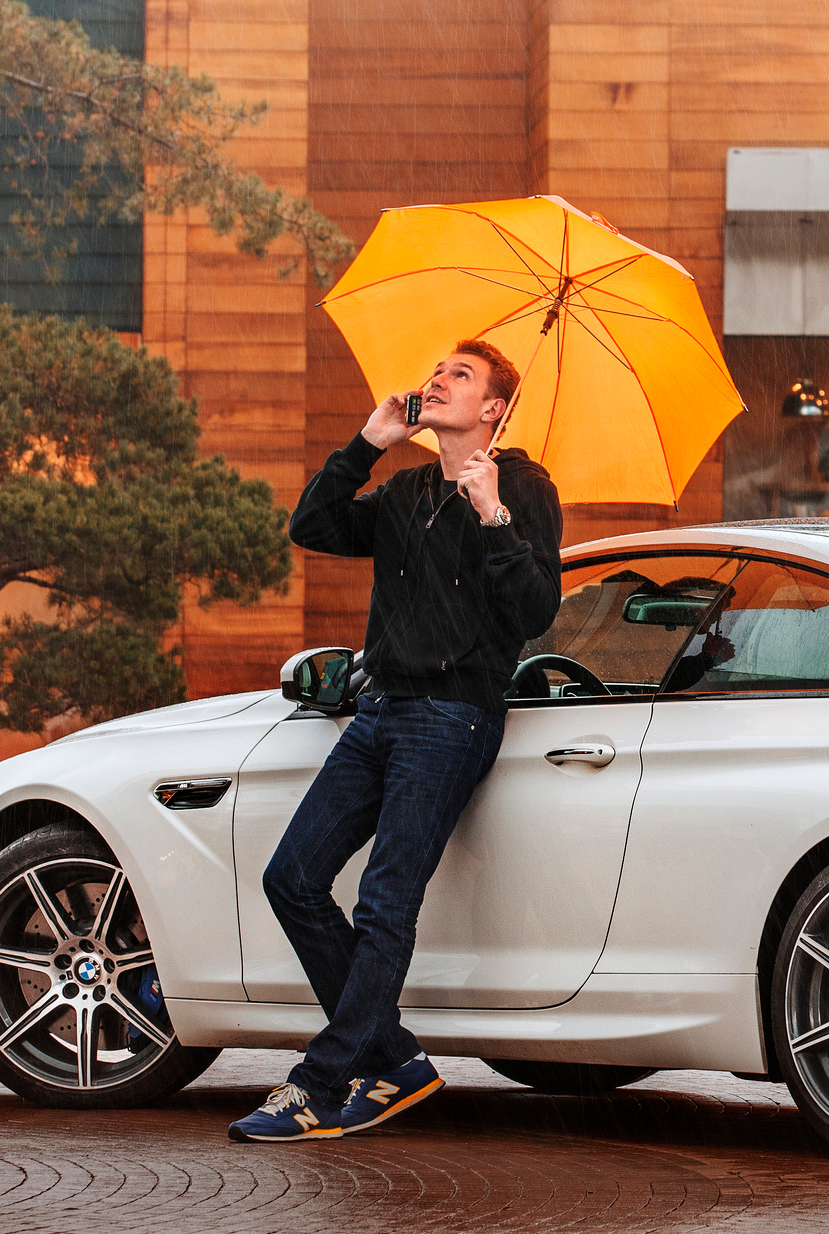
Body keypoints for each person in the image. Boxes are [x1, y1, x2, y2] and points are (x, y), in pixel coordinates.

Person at [230, 339, 561, 1143]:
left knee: (383, 901)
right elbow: (311, 524)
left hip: (454, 716)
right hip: (378, 711)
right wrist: (366, 444)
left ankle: (320, 1082)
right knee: (292, 877)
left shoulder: (522, 486)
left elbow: (535, 611)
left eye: (459, 374)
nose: (434, 380)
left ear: (493, 409)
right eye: (435, 370)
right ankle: (396, 1060)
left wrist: (493, 514)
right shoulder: (406, 489)